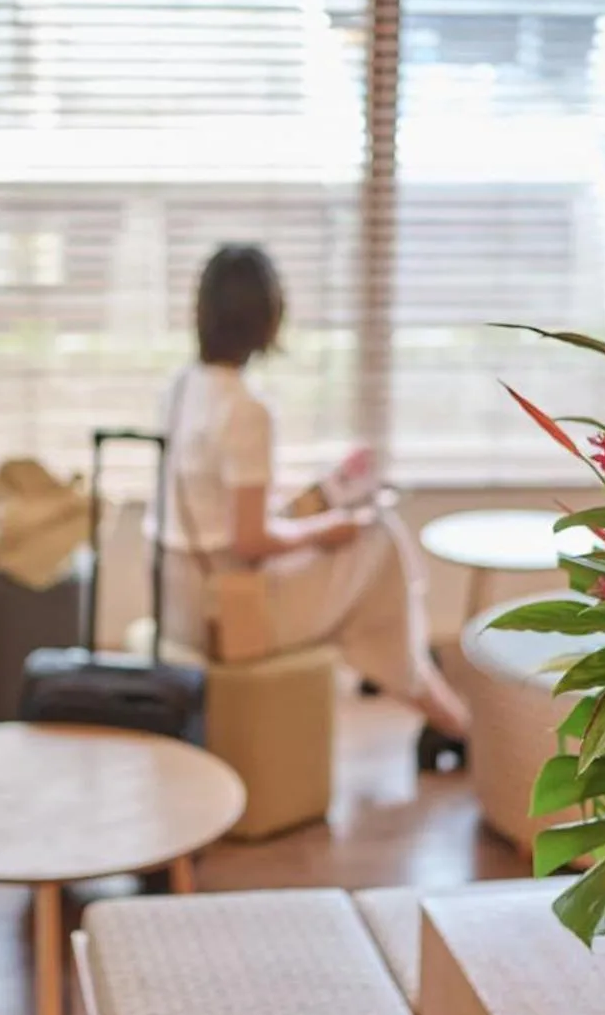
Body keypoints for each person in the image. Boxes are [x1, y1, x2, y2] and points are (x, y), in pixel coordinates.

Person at [150, 244, 470, 769]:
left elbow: (216, 521)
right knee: (376, 536)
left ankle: (411, 680)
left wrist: (315, 508)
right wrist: (329, 529)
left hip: (179, 602)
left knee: (358, 551)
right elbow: (249, 542)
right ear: (268, 318)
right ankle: (436, 704)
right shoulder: (246, 409)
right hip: (231, 617)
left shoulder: (182, 388)